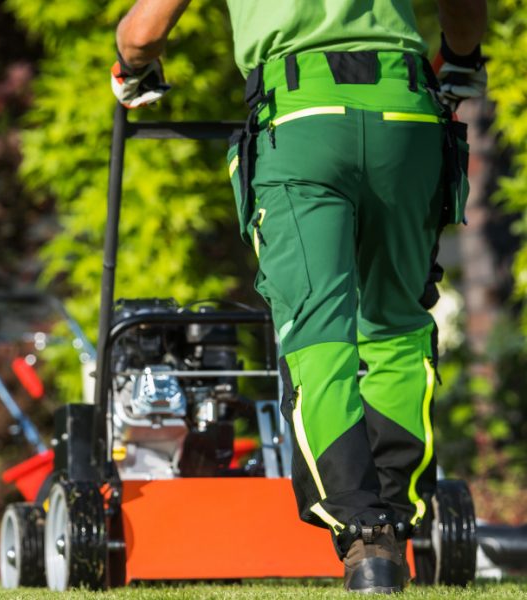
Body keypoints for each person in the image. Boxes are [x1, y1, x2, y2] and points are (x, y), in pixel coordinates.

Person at [112, 0, 487, 593]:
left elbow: (144, 32)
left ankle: (365, 532)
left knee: (318, 328)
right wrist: (462, 60)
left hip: (302, 119)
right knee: (396, 323)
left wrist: (133, 68)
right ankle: (395, 523)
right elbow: (463, 10)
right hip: (407, 118)